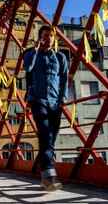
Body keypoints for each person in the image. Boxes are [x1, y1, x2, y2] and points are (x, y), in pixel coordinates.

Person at [23, 25, 68, 191]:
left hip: (55, 102)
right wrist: (35, 49)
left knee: (50, 139)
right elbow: (27, 67)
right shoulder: (32, 54)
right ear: (40, 38)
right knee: (45, 133)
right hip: (38, 100)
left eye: (51, 36)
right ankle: (49, 176)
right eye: (46, 35)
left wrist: (63, 99)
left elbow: (64, 79)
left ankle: (45, 177)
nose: (49, 38)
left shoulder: (60, 57)